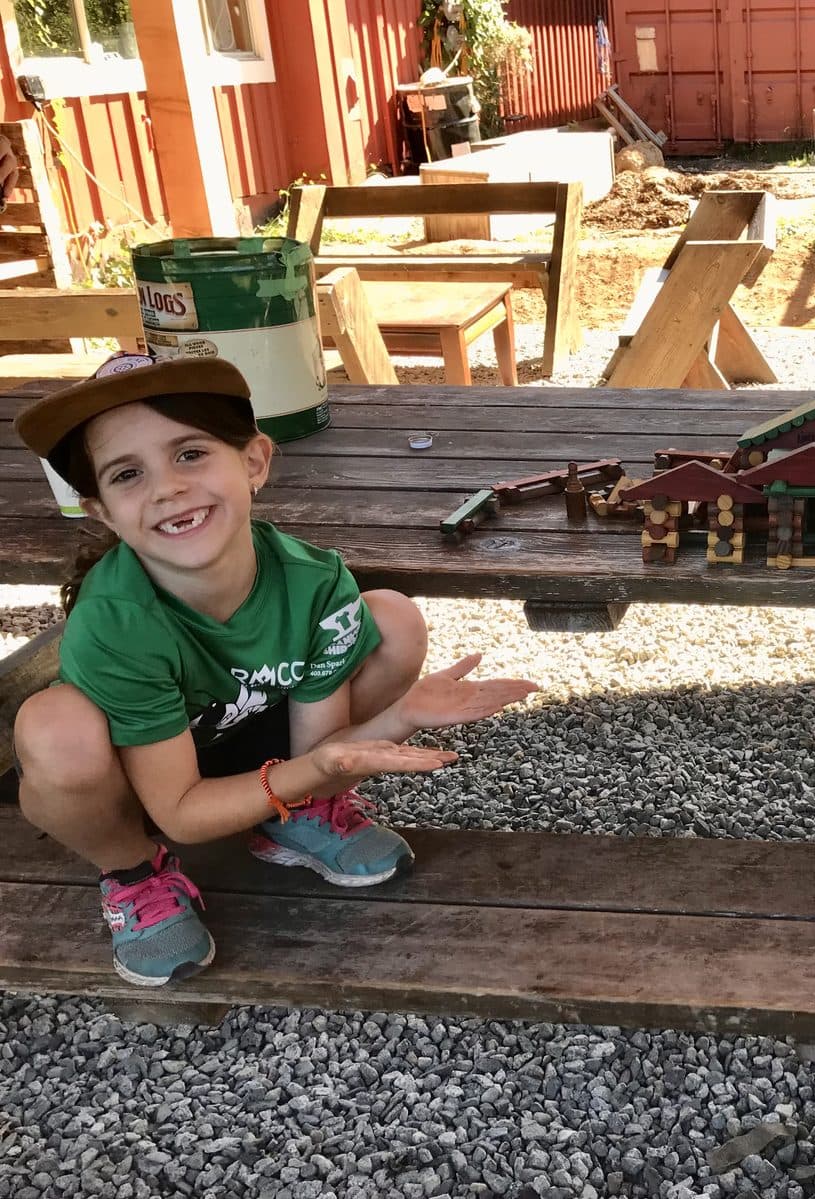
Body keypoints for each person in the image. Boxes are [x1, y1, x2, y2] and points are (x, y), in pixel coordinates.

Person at [11, 355, 537, 987]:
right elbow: (180, 810)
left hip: (254, 752)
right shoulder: (117, 621)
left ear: (255, 462)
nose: (167, 488)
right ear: (103, 512)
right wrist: (314, 768)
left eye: (190, 454)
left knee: (393, 619)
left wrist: (402, 717)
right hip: (140, 785)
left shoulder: (314, 583)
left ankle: (294, 817)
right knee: (51, 728)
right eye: (128, 473)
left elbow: (323, 750)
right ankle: (133, 873)